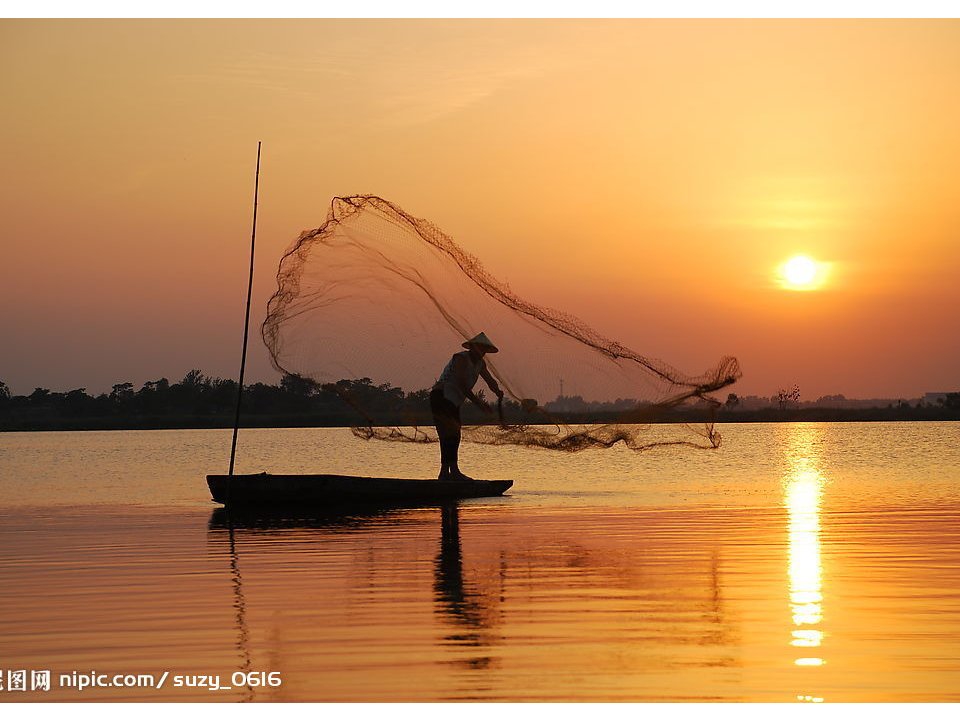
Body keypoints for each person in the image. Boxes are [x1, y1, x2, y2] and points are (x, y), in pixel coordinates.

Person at [430, 332, 504, 481]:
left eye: (484, 350)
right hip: (441, 396)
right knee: (447, 434)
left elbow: (490, 380)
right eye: (480, 348)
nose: (482, 352)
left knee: (454, 435)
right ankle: (447, 472)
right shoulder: (461, 359)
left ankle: (451, 472)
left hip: (453, 400)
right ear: (472, 347)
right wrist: (479, 403)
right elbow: (462, 385)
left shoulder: (480, 363)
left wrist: (497, 391)